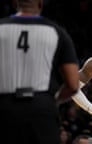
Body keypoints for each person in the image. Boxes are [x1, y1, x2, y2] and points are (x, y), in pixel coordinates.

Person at [0, 0, 80, 144]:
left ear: (14, 3)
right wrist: (54, 100)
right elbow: (73, 85)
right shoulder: (57, 32)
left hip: (4, 107)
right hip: (42, 107)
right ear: (41, 4)